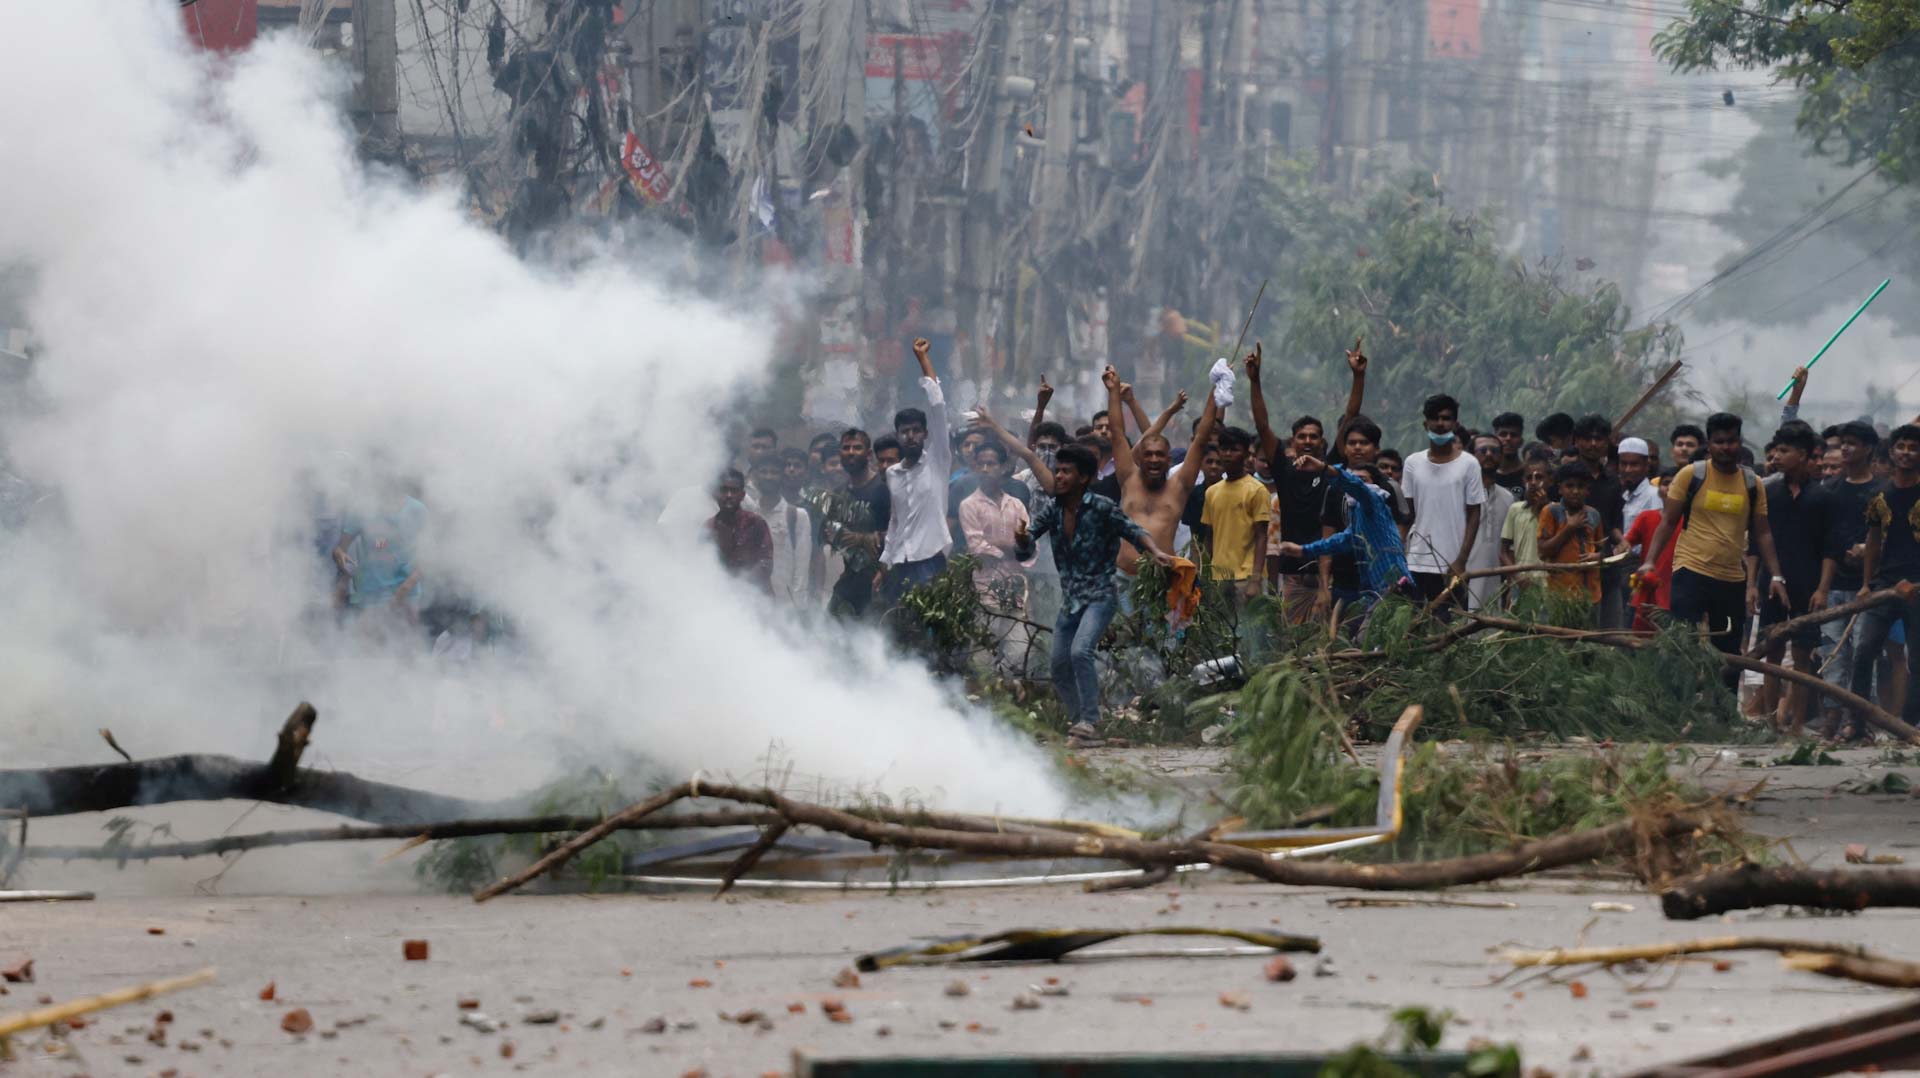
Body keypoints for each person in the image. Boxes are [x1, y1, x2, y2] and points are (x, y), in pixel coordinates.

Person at [1013, 443, 1175, 744]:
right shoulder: (1053, 509)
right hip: (1071, 599)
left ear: (1084, 478)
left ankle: (1090, 720)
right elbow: (1026, 546)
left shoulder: (1101, 506)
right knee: (1059, 665)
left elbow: (1133, 530)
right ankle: (1081, 725)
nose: (1058, 477)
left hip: (1101, 595)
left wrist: (1154, 551)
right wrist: (1022, 539)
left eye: (1066, 472)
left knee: (1080, 651)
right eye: (1057, 471)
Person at [1638, 413, 1790, 680]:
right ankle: (1678, 711)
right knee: (1682, 646)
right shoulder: (1691, 475)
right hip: (1690, 571)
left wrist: (1776, 575)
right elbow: (1668, 522)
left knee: (1728, 654)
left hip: (1731, 577)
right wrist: (1650, 561)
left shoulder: (1752, 483)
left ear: (1739, 442)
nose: (1725, 447)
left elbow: (1763, 533)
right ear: (1709, 444)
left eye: (1731, 441)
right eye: (1719, 441)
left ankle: (1724, 716)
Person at [1248, 341, 1365, 621]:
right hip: (1294, 571)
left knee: (1332, 642)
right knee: (1297, 645)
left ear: (1323, 442)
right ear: (1294, 441)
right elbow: (1262, 425)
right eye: (1303, 436)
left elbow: (1350, 419)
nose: (1308, 441)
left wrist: (1358, 376)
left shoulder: (1331, 468)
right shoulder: (1284, 469)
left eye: (1314, 436)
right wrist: (1254, 381)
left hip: (1333, 571)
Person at [1753, 423, 1830, 734]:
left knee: (1802, 655)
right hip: (1770, 581)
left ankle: (1797, 724)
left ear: (1802, 455)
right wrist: (1751, 584)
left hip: (1808, 583)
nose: (1777, 456)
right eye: (1776, 450)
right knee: (1771, 651)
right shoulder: (1768, 491)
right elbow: (1755, 542)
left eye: (1784, 451)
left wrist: (1823, 588)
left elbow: (1830, 548)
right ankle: (1771, 723)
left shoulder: (1822, 497)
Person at [1105, 367, 1216, 576]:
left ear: (1168, 459)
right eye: (1148, 455)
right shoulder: (1128, 478)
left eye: (1159, 455)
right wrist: (1113, 392)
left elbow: (1201, 439)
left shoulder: (1179, 485)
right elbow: (1117, 434)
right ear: (1140, 457)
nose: (1153, 459)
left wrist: (1216, 390)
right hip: (1123, 578)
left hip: (1163, 580)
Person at [1814, 420, 1883, 736]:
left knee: (1863, 655)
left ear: (1869, 448)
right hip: (1835, 584)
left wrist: (1866, 549)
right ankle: (1831, 719)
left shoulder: (1882, 491)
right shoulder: (1829, 490)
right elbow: (1823, 537)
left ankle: (1860, 721)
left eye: (1852, 443)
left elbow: (1889, 535)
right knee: (1833, 654)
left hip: (1869, 588)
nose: (1844, 448)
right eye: (1842, 443)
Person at [1851, 424, 1920, 732]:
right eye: (1901, 447)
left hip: (1918, 587)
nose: (1907, 453)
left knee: (1917, 660)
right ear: (1891, 452)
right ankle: (1856, 723)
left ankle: (1910, 724)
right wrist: (1866, 583)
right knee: (1863, 651)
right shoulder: (1879, 493)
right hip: (1884, 585)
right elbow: (1873, 540)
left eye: (1913, 447)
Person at [1277, 457, 1408, 612]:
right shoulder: (1358, 516)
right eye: (1354, 477)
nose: (1356, 483)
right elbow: (1339, 541)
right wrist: (1302, 550)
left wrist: (1323, 468)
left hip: (1392, 586)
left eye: (1363, 479)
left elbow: (1357, 487)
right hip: (1371, 591)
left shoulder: (1375, 503)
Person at [878, 338, 952, 609]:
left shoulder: (937, 461)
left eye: (915, 431)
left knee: (932, 629)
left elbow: (938, 409)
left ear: (925, 434)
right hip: (900, 562)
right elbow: (895, 521)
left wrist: (924, 361)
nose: (910, 436)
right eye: (904, 432)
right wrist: (884, 562)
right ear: (897, 436)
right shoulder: (892, 474)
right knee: (899, 628)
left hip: (930, 560)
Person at [1401, 394, 1485, 609]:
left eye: (1446, 418)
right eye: (1434, 418)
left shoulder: (1470, 464)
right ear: (1425, 423)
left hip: (1452, 564)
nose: (1440, 424)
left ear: (1455, 424)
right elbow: (1408, 514)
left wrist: (1461, 560)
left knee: (1452, 631)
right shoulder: (1412, 463)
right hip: (1416, 561)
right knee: (1412, 630)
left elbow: (1474, 513)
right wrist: (1400, 556)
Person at [1321, 416, 1413, 610]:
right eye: (1352, 443)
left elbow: (1400, 533)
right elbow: (1327, 537)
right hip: (1344, 580)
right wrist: (1323, 586)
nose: (1357, 447)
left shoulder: (1389, 487)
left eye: (1364, 443)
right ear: (1344, 448)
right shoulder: (1335, 488)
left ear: (1376, 448)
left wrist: (1395, 576)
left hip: (1382, 581)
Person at [815, 428, 892, 618]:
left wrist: (863, 539)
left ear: (868, 454)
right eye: (846, 447)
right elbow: (826, 538)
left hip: (882, 583)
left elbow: (900, 534)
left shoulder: (884, 489)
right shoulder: (839, 494)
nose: (850, 452)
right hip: (850, 582)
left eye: (857, 447)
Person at [333, 477, 428, 625]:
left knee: (408, 645)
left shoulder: (417, 510)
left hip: (407, 597)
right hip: (371, 597)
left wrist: (405, 589)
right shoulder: (361, 508)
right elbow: (340, 548)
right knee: (370, 646)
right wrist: (340, 555)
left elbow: (429, 557)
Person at [958, 441, 1031, 615]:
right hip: (983, 592)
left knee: (1020, 641)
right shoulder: (969, 505)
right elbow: (977, 547)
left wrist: (1010, 548)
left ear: (1003, 467)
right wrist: (1012, 550)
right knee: (984, 641)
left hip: (1016, 593)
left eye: (990, 464)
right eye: (980, 464)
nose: (984, 469)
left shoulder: (1016, 505)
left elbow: (1028, 544)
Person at [1573, 414, 1628, 628]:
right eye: (1587, 438)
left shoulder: (1612, 482)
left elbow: (1612, 524)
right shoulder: (1565, 479)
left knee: (1608, 634)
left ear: (1608, 443)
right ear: (1576, 441)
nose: (1593, 444)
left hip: (1605, 567)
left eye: (1599, 439)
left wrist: (1622, 541)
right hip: (1571, 567)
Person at [1200, 426, 1270, 594]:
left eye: (1234, 450)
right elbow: (1209, 536)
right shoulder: (1212, 492)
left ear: (1247, 454)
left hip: (1246, 577)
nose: (1228, 454)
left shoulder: (1256, 490)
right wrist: (1206, 573)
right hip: (1218, 577)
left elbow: (1261, 536)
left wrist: (1256, 579)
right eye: (1224, 449)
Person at [1537, 460, 1608, 608]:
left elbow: (1602, 550)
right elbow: (1543, 551)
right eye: (1570, 486)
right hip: (1560, 594)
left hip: (1591, 595)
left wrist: (1598, 557)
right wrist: (1569, 528)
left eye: (1580, 486)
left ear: (1587, 489)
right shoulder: (1551, 512)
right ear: (1560, 489)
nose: (1575, 491)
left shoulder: (1594, 514)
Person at [747, 455, 814, 606]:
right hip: (752, 601)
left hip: (784, 603)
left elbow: (802, 567)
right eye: (763, 472)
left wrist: (798, 606)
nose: (768, 477)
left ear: (782, 476)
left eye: (774, 472)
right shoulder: (749, 514)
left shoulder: (797, 515)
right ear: (755, 476)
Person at [1466, 433, 1517, 610]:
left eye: (1494, 450)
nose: (1489, 454)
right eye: (1482, 450)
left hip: (1496, 581)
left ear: (1501, 457)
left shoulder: (1508, 498)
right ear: (1471, 456)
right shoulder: (1459, 493)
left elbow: (1509, 547)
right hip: (1463, 578)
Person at [706, 468, 773, 594]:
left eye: (734, 491)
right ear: (716, 494)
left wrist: (741, 584)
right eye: (724, 490)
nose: (729, 495)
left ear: (742, 495)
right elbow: (701, 565)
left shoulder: (756, 523)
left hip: (754, 598)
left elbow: (766, 563)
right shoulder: (709, 528)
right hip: (717, 597)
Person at [1501, 459, 1552, 593]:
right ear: (1524, 481)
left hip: (1549, 582)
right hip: (1521, 580)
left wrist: (1542, 509)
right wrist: (1516, 577)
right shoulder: (1515, 509)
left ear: (1550, 481)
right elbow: (1503, 552)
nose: (1533, 482)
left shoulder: (1557, 510)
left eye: (1539, 477)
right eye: (1529, 478)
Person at [1490, 412, 1528, 497]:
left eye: (1513, 435)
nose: (1508, 438)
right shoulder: (1486, 473)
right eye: (1503, 434)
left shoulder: (1530, 474)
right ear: (1494, 439)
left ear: (1521, 441)